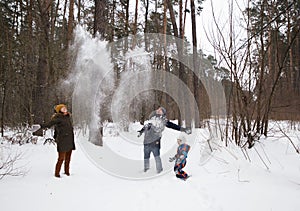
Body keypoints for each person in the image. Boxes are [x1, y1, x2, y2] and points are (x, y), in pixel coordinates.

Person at [137, 106, 191, 173]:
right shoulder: (152, 119)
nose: (158, 110)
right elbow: (147, 126)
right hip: (146, 142)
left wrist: (183, 129)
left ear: (163, 113)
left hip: (155, 142)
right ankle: (146, 169)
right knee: (146, 157)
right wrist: (141, 131)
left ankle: (159, 170)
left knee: (156, 156)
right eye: (158, 109)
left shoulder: (163, 121)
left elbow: (173, 126)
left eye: (160, 110)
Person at [33, 104, 75, 178]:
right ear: (59, 110)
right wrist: (41, 126)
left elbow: (57, 129)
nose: (65, 109)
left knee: (68, 158)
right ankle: (57, 173)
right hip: (62, 140)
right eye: (62, 108)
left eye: (65, 107)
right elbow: (50, 124)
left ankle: (67, 172)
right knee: (61, 158)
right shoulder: (58, 118)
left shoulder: (67, 117)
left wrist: (55, 136)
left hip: (70, 140)